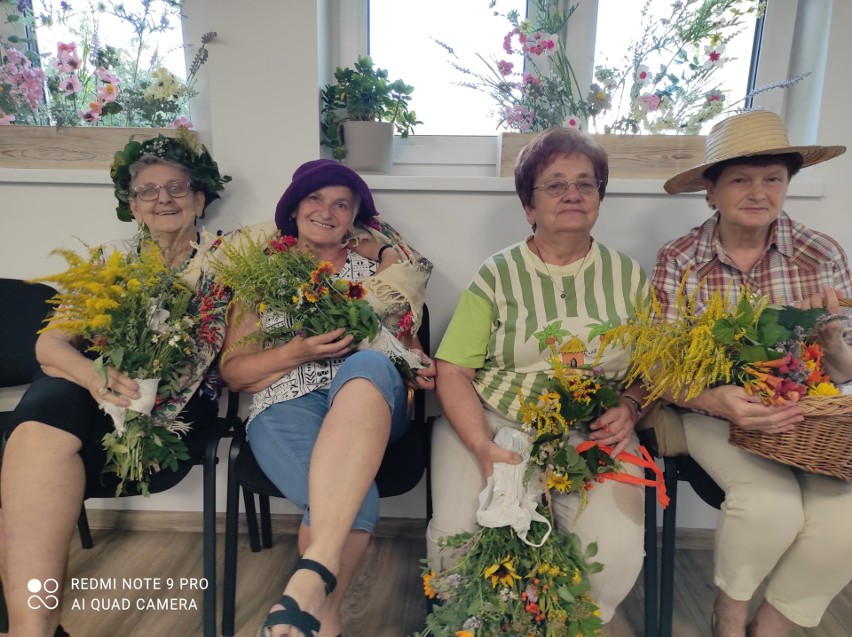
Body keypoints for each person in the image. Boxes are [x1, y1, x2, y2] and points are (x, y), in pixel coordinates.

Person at [0, 131, 232, 637]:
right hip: (94, 392)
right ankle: (31, 630)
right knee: (40, 423)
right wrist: (96, 377)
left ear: (199, 198)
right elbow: (50, 347)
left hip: (176, 414)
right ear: (133, 206)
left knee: (39, 444)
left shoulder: (231, 263)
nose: (163, 199)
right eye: (148, 190)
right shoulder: (109, 261)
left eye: (176, 187)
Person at [426, 126, 650, 624]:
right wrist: (483, 446)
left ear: (599, 198)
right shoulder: (496, 274)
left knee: (613, 552)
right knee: (459, 541)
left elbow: (650, 371)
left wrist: (630, 406)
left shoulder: (630, 278)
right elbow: (454, 371)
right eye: (554, 184)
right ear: (529, 207)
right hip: (492, 420)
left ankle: (570, 626)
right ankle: (476, 626)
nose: (572, 193)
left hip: (591, 434)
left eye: (585, 183)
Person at [654, 109, 852, 637]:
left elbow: (845, 371)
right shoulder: (679, 260)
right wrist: (716, 400)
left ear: (789, 184)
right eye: (740, 179)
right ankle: (730, 614)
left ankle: (774, 622)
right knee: (770, 506)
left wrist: (831, 340)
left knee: (846, 518)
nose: (758, 192)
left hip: (807, 422)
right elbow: (660, 369)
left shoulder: (822, 254)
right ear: (711, 190)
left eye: (772, 178)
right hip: (714, 416)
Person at [218, 159, 435, 637]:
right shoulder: (262, 275)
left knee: (370, 362)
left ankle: (313, 575)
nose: (326, 210)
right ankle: (321, 611)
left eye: (342, 204)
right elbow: (233, 372)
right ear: (294, 210)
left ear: (354, 219)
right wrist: (294, 352)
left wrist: (418, 364)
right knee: (352, 498)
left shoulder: (381, 274)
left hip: (372, 402)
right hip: (285, 403)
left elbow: (408, 346)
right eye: (315, 198)